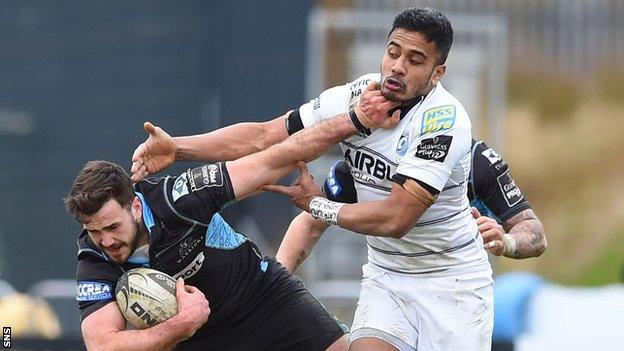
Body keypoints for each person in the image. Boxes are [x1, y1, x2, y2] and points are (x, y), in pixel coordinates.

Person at [131, 7, 493, 351]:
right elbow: (264, 135)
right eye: (393, 52)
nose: (397, 67)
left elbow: (396, 219)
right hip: (388, 275)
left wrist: (317, 205)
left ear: (437, 73)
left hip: (451, 280)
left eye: (414, 61)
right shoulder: (356, 97)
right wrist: (178, 148)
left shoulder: (444, 122)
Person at [66, 93, 398, 351]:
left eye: (112, 227)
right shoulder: (95, 258)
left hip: (264, 299)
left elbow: (272, 159)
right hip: (199, 337)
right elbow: (103, 344)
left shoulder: (179, 198)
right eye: (94, 232)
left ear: (135, 207)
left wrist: (356, 119)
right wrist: (183, 323)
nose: (106, 241)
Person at [276, 139, 548, 273]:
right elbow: (309, 223)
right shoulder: (367, 160)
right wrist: (276, 284)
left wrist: (506, 241)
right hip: (391, 284)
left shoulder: (477, 162)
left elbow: (535, 234)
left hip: (458, 290)